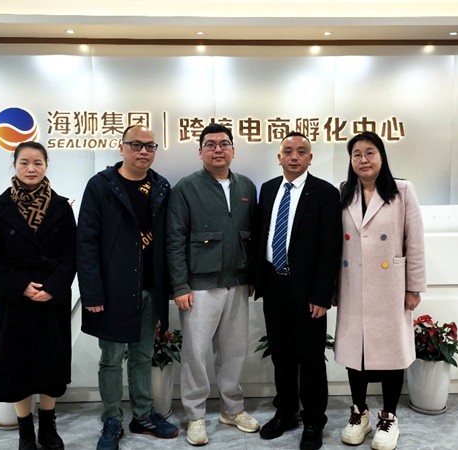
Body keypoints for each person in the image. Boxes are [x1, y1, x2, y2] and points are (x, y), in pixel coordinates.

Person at [77, 125, 178, 450]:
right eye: (136, 145)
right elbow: (86, 242)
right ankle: (111, 419)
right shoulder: (101, 186)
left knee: (142, 356)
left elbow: (169, 241)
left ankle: (143, 416)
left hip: (150, 289)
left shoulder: (161, 187)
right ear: (121, 148)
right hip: (112, 291)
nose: (143, 151)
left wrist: (171, 286)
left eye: (150, 146)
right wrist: (92, 292)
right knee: (111, 358)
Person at [0, 141, 77, 450]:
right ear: (15, 165)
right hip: (15, 302)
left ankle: (48, 428)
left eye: (37, 162)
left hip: (51, 300)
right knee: (17, 369)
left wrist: (52, 287)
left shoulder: (62, 207)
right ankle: (25, 433)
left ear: (46, 165)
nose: (31, 168)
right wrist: (20, 286)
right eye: (24, 163)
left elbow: (72, 254)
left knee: (51, 366)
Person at [166, 123, 260, 446]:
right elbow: (175, 239)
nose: (218, 149)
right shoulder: (186, 188)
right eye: (210, 144)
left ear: (233, 149)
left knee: (234, 351)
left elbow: (254, 236)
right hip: (199, 286)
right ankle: (195, 415)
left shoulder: (246, 186)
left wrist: (252, 277)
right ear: (200, 152)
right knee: (195, 352)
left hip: (237, 283)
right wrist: (180, 285)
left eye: (224, 143)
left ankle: (232, 409)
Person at [334, 132, 426, 450]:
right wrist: (332, 287)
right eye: (356, 154)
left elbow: (415, 242)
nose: (363, 159)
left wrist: (414, 287)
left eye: (370, 152)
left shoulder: (402, 190)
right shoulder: (344, 192)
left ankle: (389, 416)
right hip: (352, 284)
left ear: (382, 156)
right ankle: (359, 413)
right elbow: (334, 244)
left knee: (391, 353)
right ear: (351, 161)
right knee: (355, 352)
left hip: (390, 286)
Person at [253, 132, 342, 450]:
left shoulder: (325, 193)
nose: (294, 156)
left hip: (308, 291)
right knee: (281, 354)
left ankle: (314, 420)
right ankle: (286, 413)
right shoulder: (268, 189)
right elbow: (260, 235)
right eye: (288, 151)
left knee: (311, 357)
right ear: (279, 157)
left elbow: (330, 247)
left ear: (310, 158)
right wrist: (256, 278)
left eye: (301, 151)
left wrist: (321, 294)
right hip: (274, 283)